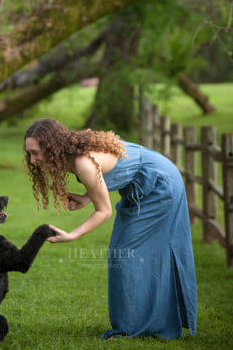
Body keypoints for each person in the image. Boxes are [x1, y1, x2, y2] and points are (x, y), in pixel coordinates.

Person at [24, 118, 197, 340]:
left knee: (125, 254)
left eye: (36, 153)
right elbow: (118, 169)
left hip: (160, 185)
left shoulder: (82, 163)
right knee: (128, 253)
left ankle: (131, 328)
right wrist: (88, 197)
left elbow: (104, 211)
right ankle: (144, 322)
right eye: (29, 153)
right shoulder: (71, 151)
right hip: (142, 186)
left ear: (52, 147)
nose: (32, 160)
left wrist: (72, 234)